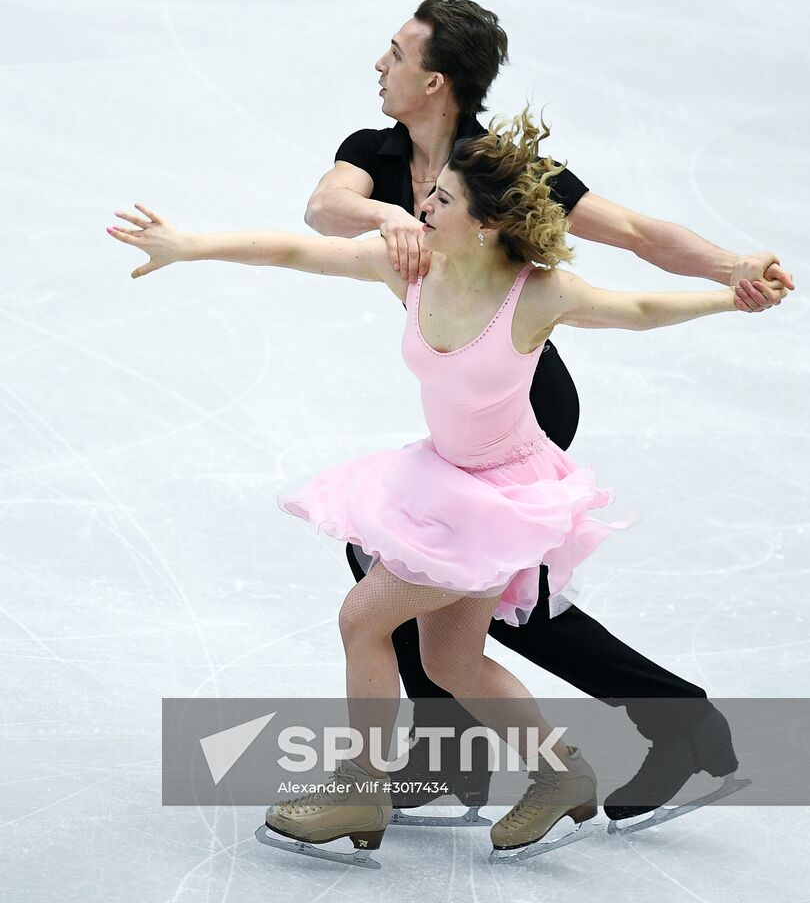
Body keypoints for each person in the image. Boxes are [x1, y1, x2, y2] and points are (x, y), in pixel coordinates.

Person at [106, 108, 786, 869]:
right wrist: (187, 245)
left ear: (488, 226)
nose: (422, 207)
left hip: (499, 497)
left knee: (364, 619)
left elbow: (640, 312)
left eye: (442, 202)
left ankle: (360, 788)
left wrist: (734, 292)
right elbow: (296, 249)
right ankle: (561, 775)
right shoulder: (410, 266)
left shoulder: (537, 293)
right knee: (450, 665)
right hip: (443, 479)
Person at [301, 0, 794, 830]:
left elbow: (633, 231)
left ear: (436, 79)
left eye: (395, 52)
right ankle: (444, 754)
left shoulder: (497, 175)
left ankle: (678, 722)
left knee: (494, 599)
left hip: (524, 409)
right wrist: (394, 217)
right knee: (388, 558)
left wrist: (729, 265)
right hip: (466, 404)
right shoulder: (374, 154)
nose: (378, 65)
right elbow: (323, 208)